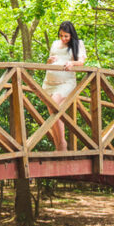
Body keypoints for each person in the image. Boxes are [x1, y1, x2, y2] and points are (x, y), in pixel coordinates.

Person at [42, 21, 86, 151]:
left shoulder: (78, 44)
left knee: (54, 106)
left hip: (66, 83)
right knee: (54, 111)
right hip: (49, 82)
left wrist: (72, 63)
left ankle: (62, 144)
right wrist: (49, 61)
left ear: (71, 35)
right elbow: (49, 60)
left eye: (66, 36)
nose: (63, 38)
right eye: (61, 35)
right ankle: (59, 145)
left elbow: (81, 62)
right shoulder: (55, 43)